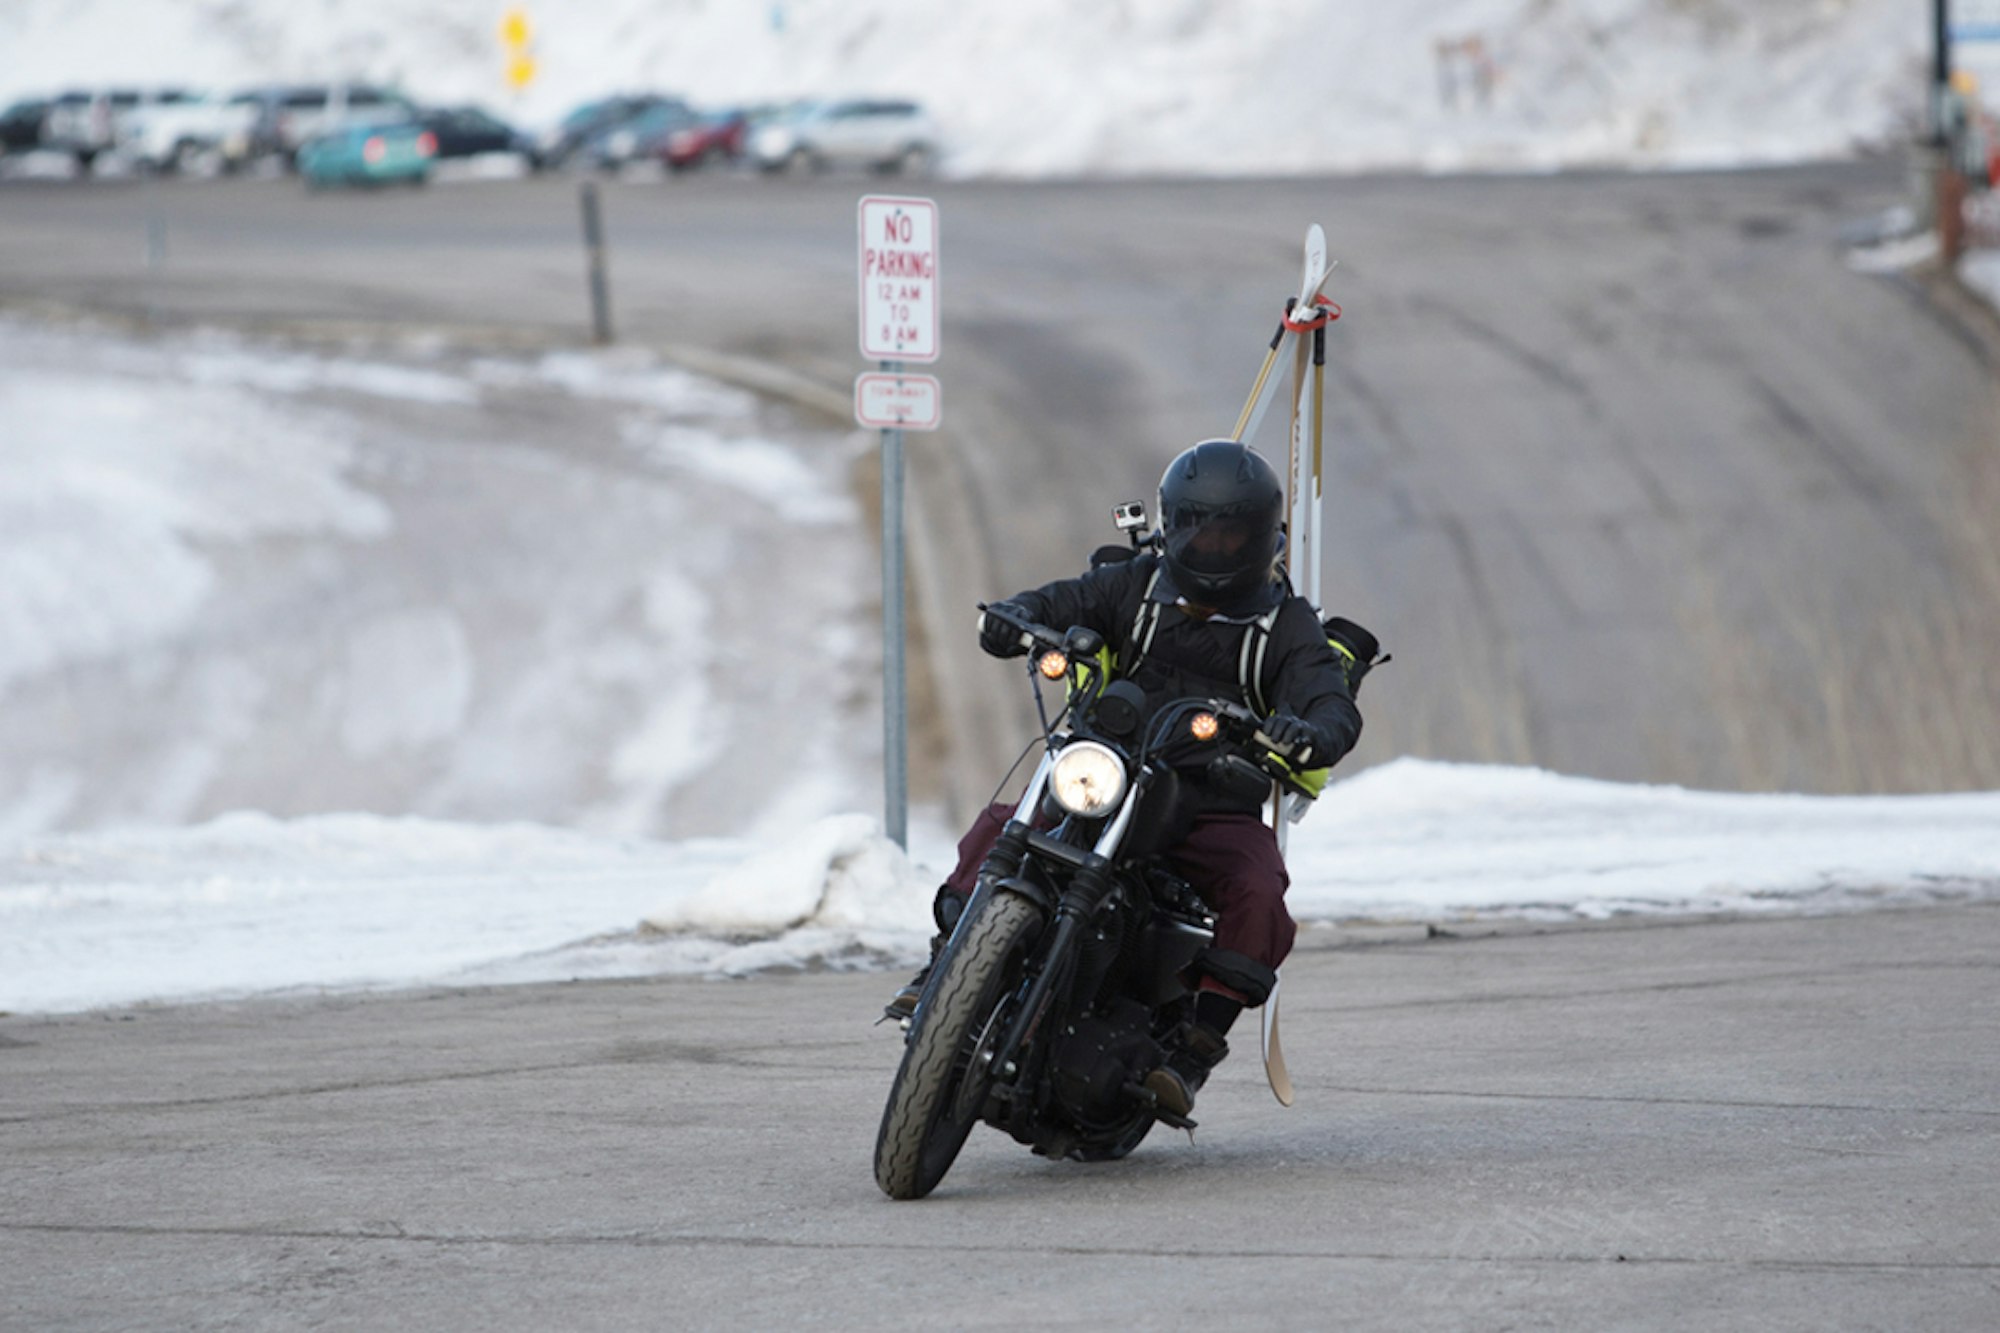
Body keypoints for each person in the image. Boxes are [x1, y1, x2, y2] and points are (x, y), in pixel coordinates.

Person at [887, 438, 1375, 1119]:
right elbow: (1063, 600)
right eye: (1197, 527)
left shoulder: (1284, 624)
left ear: (1263, 535)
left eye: (1230, 531)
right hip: (1107, 770)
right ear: (1170, 523)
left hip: (1206, 799)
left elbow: (1329, 701)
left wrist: (1310, 728)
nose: (1211, 546)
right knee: (1005, 823)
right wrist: (1015, 619)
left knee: (1259, 888)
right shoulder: (1135, 584)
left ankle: (1196, 1049)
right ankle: (945, 963)